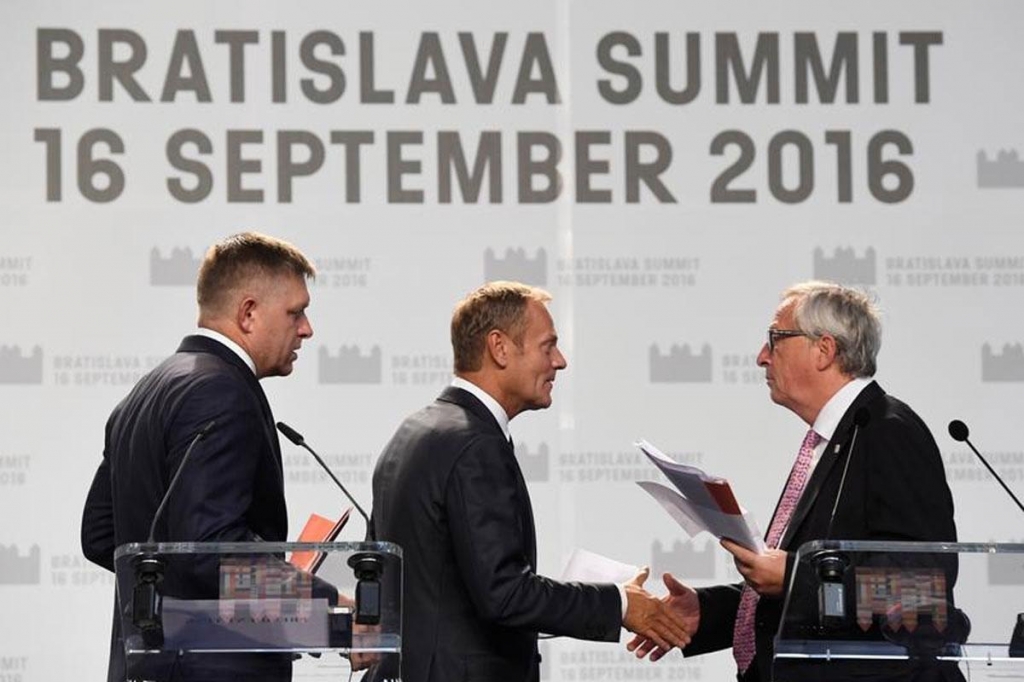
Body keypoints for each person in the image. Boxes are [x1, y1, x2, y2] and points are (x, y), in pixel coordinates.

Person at [629, 281, 959, 682]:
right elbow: (805, 586)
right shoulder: (836, 437)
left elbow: (923, 586)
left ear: (824, 350)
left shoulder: (888, 431)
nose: (761, 357)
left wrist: (795, 576)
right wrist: (709, 613)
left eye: (775, 339)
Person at [369, 281, 692, 682]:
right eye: (547, 346)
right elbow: (504, 594)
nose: (559, 361)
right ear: (500, 347)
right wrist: (621, 604)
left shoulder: (416, 430)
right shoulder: (475, 445)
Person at [81, 231, 316, 682]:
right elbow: (212, 552)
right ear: (249, 312)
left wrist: (166, 599)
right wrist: (315, 601)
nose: (306, 328)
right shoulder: (222, 392)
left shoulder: (148, 388)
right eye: (296, 311)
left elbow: (100, 536)